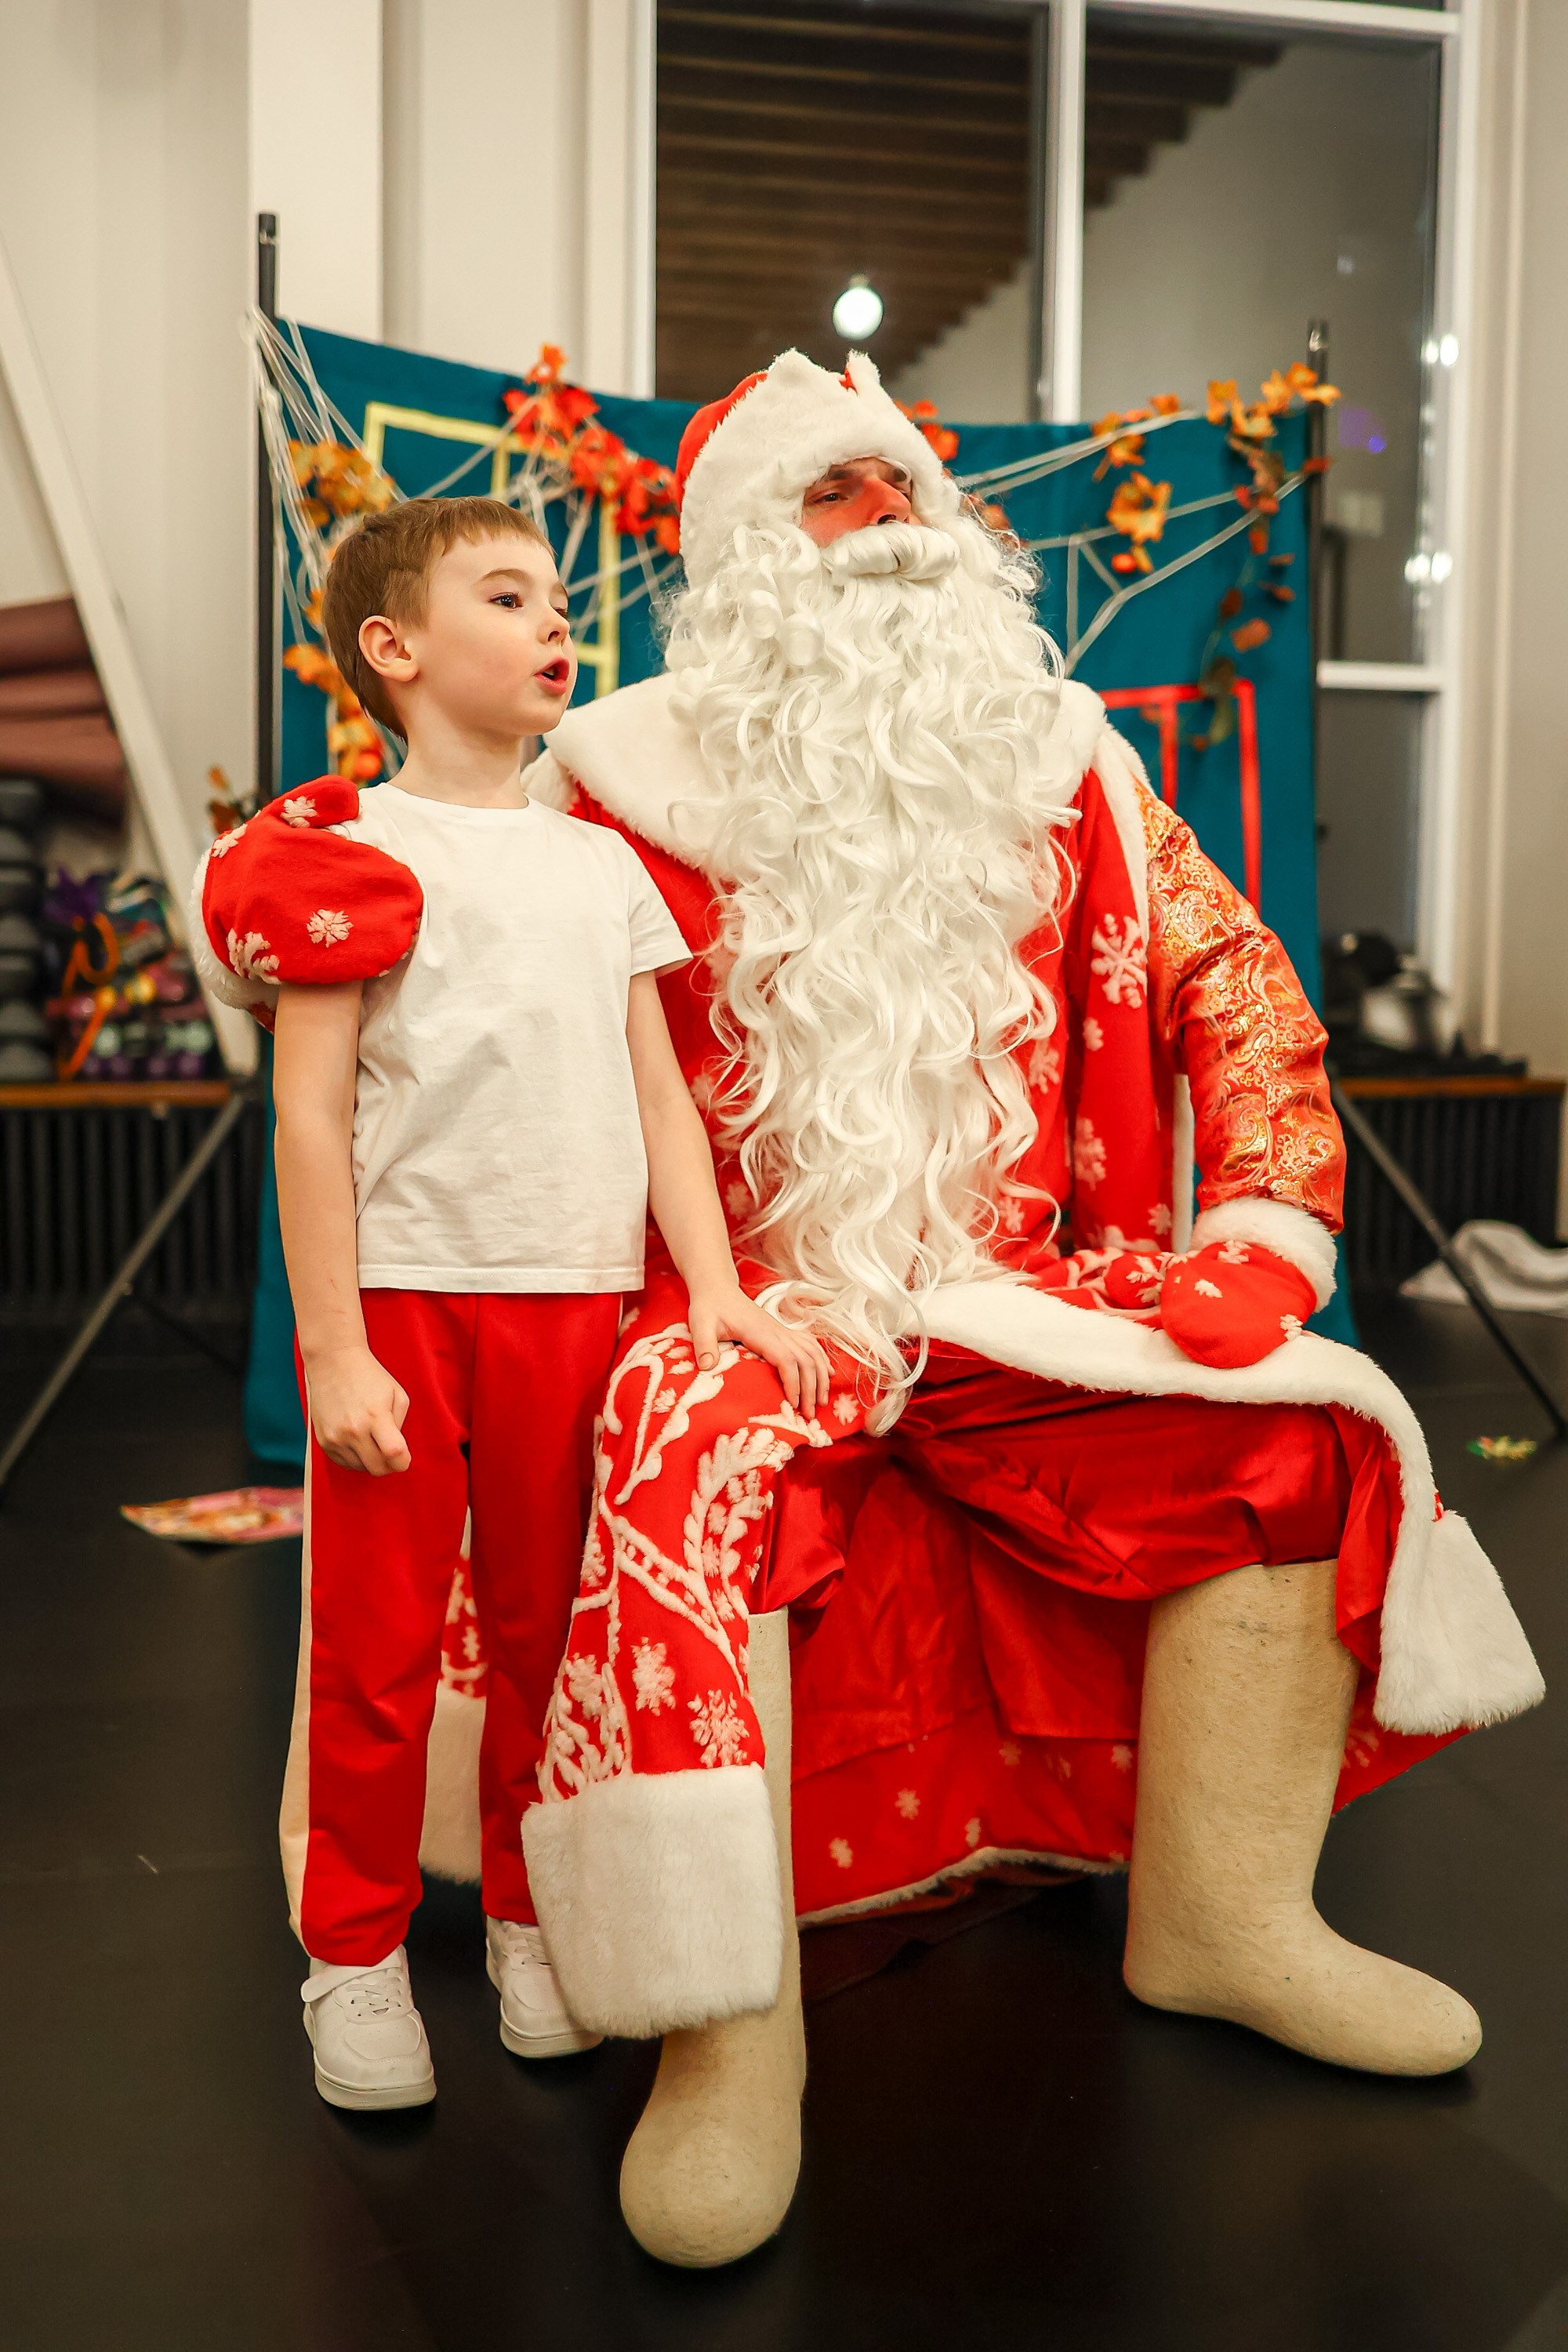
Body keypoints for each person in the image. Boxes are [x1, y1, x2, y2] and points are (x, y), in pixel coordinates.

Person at [192, 494, 826, 2112]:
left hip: (575, 1305)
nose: (556, 624)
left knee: (545, 1643)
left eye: (559, 598)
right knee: (379, 1653)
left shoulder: (599, 869)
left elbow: (662, 1102)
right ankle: (352, 1955)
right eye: (507, 595)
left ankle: (528, 1923)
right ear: (395, 652)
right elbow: (312, 1115)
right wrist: (333, 1344)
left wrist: (711, 1287)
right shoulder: (348, 861)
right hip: (409, 1301)